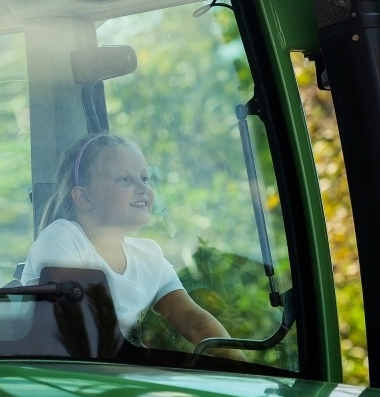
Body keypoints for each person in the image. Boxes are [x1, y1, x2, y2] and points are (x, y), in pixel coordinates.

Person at [22, 133, 244, 359]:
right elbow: (75, 328)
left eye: (145, 178)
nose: (142, 188)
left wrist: (245, 370)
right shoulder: (61, 238)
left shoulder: (149, 256)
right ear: (83, 197)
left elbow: (192, 319)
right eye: (124, 179)